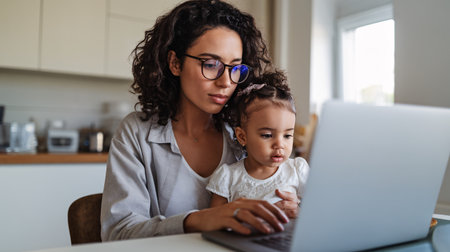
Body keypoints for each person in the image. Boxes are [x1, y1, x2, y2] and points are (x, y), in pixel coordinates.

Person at [101, 0, 299, 241]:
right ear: (175, 63)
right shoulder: (136, 133)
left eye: (235, 68)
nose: (226, 81)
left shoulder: (246, 135)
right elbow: (118, 233)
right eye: (210, 64)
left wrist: (292, 210)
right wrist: (200, 219)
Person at [207, 71, 309, 219]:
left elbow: (320, 213)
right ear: (242, 136)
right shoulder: (228, 177)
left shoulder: (297, 171)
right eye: (267, 135)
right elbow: (212, 221)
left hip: (286, 240)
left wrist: (299, 212)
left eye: (287, 135)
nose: (279, 144)